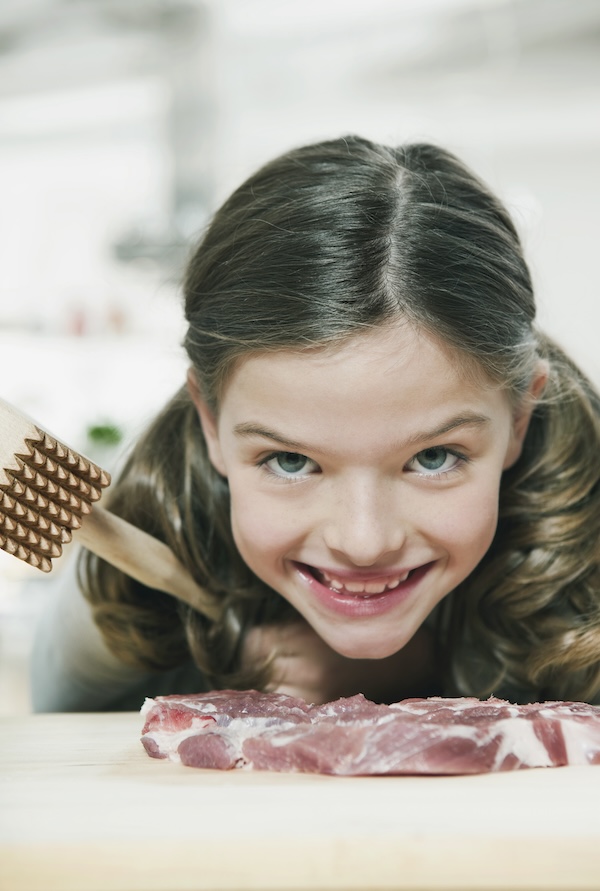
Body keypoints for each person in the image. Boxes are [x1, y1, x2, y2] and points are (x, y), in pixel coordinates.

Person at [31, 134, 600, 712]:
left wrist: (433, 668)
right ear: (209, 423)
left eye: (434, 458)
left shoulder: (588, 546)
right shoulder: (143, 539)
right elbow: (60, 707)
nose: (363, 542)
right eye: (291, 461)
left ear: (521, 418)